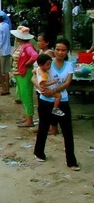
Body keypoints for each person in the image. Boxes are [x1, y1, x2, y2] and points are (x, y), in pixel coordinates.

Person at [33, 39, 80, 171]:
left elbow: (67, 83)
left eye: (63, 50)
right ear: (54, 49)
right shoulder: (47, 63)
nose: (60, 52)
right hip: (45, 101)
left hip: (62, 100)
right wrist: (42, 90)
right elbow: (33, 77)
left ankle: (71, 161)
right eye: (58, 49)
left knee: (67, 131)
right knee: (43, 127)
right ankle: (39, 152)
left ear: (67, 51)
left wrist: (53, 91)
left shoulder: (69, 65)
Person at [10, 27, 38, 128]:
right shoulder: (21, 45)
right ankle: (27, 117)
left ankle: (29, 119)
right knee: (23, 95)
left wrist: (27, 64)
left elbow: (35, 56)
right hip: (20, 73)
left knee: (26, 96)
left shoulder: (27, 47)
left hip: (24, 73)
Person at [0, 11, 12, 95]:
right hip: (7, 50)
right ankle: (7, 87)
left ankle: (3, 88)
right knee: (6, 71)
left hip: (1, 51)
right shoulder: (7, 25)